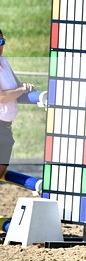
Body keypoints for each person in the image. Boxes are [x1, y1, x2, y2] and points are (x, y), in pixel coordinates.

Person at [0, 29, 35, 180]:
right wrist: (21, 89)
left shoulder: (4, 61)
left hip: (6, 128)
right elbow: (2, 97)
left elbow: (17, 85)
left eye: (1, 42)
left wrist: (25, 88)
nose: (0, 46)